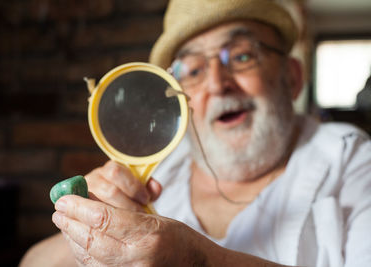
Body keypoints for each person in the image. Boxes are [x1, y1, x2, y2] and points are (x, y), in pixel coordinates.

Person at [20, 0, 371, 266]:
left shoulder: (354, 160)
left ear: (292, 77)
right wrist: (84, 227)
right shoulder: (159, 172)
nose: (217, 84)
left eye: (242, 56)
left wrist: (199, 260)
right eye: (192, 69)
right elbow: (31, 262)